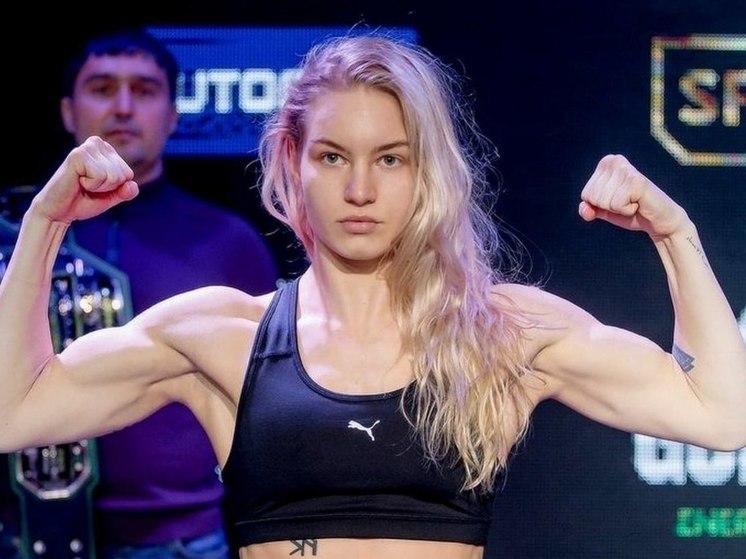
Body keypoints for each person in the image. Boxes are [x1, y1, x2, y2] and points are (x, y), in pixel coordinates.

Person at [0, 33, 745, 559]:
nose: (360, 189)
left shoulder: (501, 334)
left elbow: (722, 415)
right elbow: (15, 411)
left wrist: (674, 233)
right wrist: (44, 224)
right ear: (292, 161)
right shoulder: (221, 336)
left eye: (391, 159)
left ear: (427, 171)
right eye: (333, 157)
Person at [0, 28, 279, 559]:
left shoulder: (228, 242)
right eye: (102, 88)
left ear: (173, 116)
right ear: (67, 111)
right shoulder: (19, 239)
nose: (123, 107)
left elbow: (273, 400)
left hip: (178, 540)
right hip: (23, 531)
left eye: (144, 91)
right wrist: (42, 224)